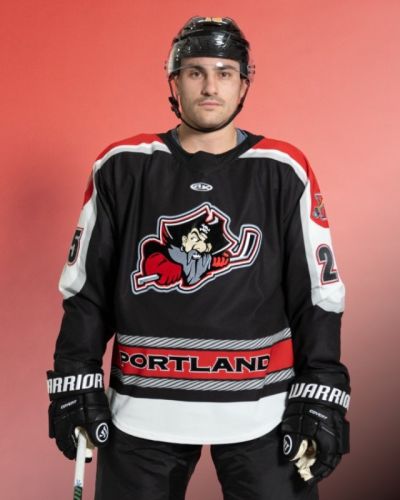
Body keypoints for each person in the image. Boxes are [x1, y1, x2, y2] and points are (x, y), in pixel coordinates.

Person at [47, 16, 350, 500]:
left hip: (262, 408)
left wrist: (322, 386)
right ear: (174, 81)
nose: (210, 87)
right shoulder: (122, 165)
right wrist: (74, 374)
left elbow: (317, 293)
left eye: (225, 73)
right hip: (143, 408)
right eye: (195, 72)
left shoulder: (283, 168)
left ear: (243, 83)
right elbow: (87, 289)